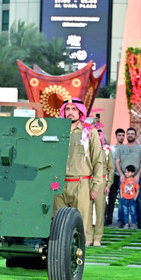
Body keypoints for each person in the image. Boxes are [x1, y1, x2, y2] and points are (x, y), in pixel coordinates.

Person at [53, 99, 103, 241]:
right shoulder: (57, 130)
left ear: (80, 111)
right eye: (67, 109)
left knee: (80, 222)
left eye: (74, 109)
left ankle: (79, 254)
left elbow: (98, 160)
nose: (70, 113)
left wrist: (95, 186)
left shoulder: (90, 131)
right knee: (58, 222)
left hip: (81, 183)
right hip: (59, 183)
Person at [86, 125, 113, 246]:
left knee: (100, 210)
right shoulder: (86, 147)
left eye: (100, 133)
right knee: (87, 211)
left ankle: (98, 238)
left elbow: (111, 169)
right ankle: (88, 238)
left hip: (101, 182)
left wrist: (109, 184)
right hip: (87, 181)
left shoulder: (106, 151)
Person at [115, 128, 141, 226]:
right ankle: (121, 220)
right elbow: (117, 162)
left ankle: (139, 221)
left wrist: (138, 175)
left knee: (138, 200)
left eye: (132, 134)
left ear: (135, 135)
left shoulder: (140, 149)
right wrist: (121, 174)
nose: (130, 135)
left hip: (136, 178)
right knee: (122, 199)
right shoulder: (120, 149)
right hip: (124, 178)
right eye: (128, 134)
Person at [104, 128, 125, 226]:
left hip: (123, 176)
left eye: (122, 135)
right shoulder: (111, 149)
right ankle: (109, 218)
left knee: (123, 198)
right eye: (119, 135)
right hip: (113, 175)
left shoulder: (126, 148)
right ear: (116, 136)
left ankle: (122, 220)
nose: (121, 137)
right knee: (111, 198)